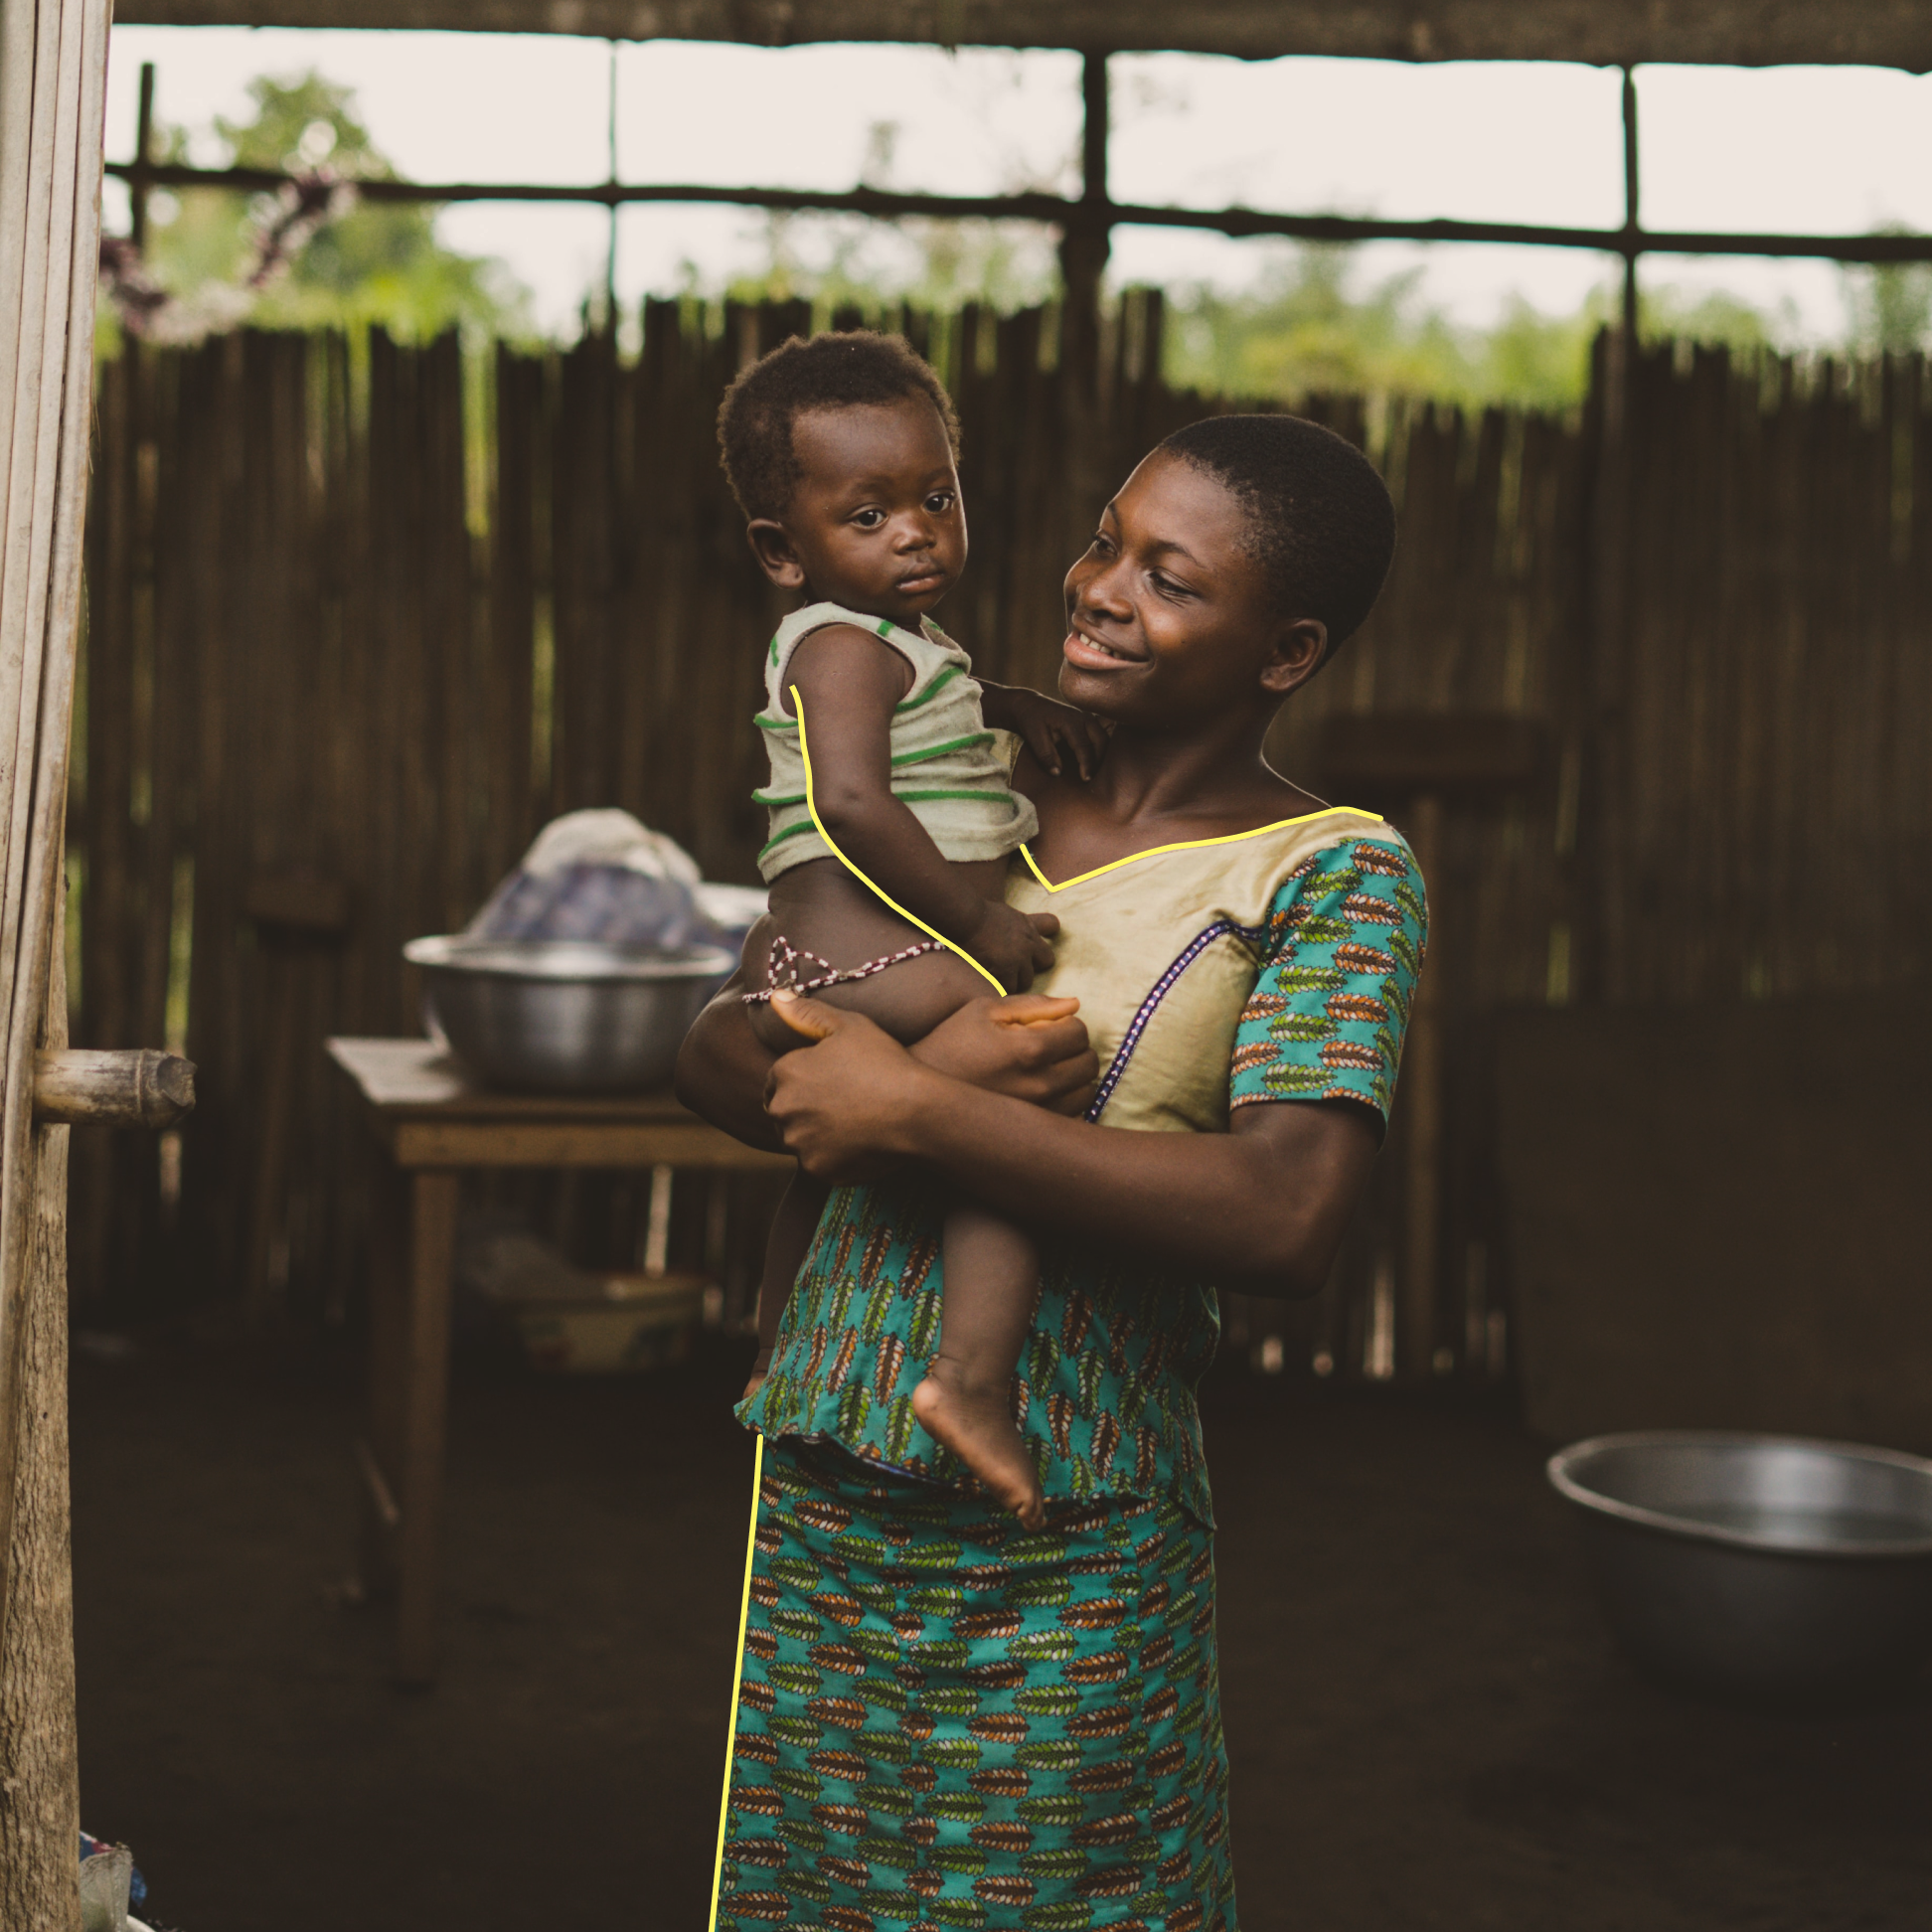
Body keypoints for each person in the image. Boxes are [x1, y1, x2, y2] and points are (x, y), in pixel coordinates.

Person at [676, 411, 1427, 1931]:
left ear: (1283, 650)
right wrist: (872, 1080)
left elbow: (1288, 1216)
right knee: (815, 1895)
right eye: (1103, 539)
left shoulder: (1330, 873)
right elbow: (724, 1039)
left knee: (1068, 1899)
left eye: (1169, 577)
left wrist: (918, 1114)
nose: (1098, 587)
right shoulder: (960, 779)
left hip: (1071, 1515)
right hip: (823, 1469)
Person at [719, 330, 1109, 1529]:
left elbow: (927, 710)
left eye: (936, 498)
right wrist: (979, 926)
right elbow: (850, 802)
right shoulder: (839, 646)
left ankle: (781, 1351)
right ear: (786, 551)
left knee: (827, 1165)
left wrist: (1012, 704)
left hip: (831, 967)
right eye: (870, 515)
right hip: (878, 961)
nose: (918, 533)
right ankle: (972, 1383)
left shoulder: (901, 647)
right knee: (1010, 1110)